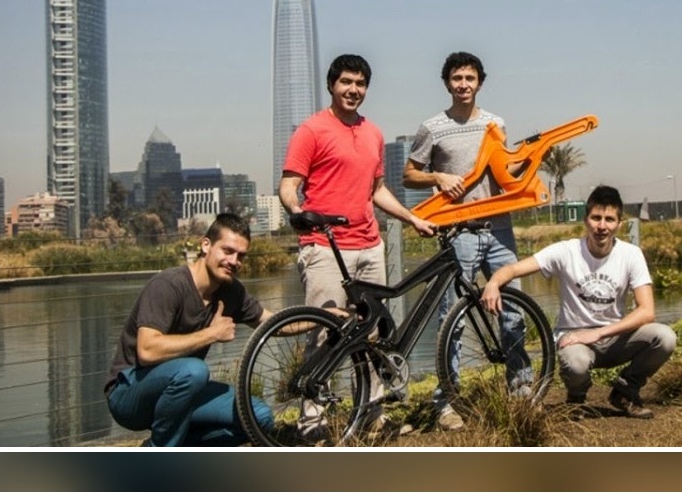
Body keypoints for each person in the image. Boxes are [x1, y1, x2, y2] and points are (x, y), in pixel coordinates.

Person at [279, 53, 437, 439]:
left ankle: (371, 414)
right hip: (325, 246)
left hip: (369, 246)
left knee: (371, 336)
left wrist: (412, 218)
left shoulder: (373, 133)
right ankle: (312, 421)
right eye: (346, 82)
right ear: (332, 85)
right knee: (324, 331)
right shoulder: (311, 131)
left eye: (360, 84)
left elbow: (377, 190)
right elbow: (288, 185)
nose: (353, 90)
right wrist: (298, 211)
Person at [403, 51, 533, 431]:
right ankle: (447, 403)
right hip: (457, 235)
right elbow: (410, 174)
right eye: (457, 78)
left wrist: (528, 161)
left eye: (470, 78)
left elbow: (505, 170)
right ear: (447, 83)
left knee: (513, 310)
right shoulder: (433, 127)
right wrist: (438, 178)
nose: (463, 84)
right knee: (452, 319)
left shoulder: (496, 123)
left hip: (499, 230)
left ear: (480, 82)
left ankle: (521, 392)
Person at [481, 185, 677, 418]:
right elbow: (513, 269)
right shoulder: (566, 251)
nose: (602, 226)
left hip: (614, 338)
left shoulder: (631, 254)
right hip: (574, 340)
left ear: (619, 224)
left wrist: (599, 333)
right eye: (596, 218)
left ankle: (626, 390)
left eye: (609, 219)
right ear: (586, 220)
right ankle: (577, 397)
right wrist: (493, 283)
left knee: (665, 337)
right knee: (575, 364)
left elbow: (647, 312)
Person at [103, 213, 275, 446]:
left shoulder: (231, 290)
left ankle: (174, 445)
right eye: (227, 251)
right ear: (206, 245)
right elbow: (147, 350)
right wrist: (212, 334)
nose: (234, 261)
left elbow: (271, 322)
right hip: (130, 392)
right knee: (194, 371)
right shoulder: (168, 285)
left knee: (259, 418)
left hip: (181, 390)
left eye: (241, 256)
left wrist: (324, 316)